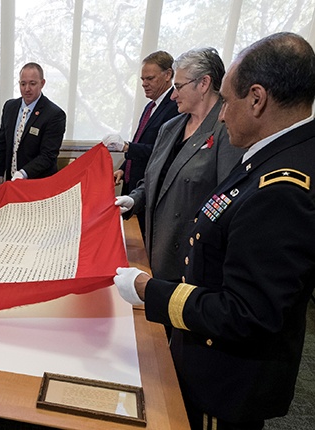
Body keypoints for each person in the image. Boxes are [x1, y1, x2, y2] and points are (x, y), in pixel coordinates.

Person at [114, 32, 315, 430]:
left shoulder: (283, 186)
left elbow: (246, 312)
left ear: (257, 99)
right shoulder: (272, 154)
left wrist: (149, 290)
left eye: (229, 100)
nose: (222, 115)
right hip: (199, 319)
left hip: (227, 373)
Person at [115, 48, 244, 283]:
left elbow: (228, 204)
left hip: (193, 257)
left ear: (204, 83)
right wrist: (135, 199)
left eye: (179, 86)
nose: (173, 95)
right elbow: (154, 178)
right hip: (157, 244)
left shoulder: (228, 132)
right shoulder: (170, 127)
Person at [103, 51, 180, 236]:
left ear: (168, 75)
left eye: (150, 78)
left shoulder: (175, 108)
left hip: (150, 190)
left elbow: (164, 153)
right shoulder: (151, 105)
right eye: (142, 79)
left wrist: (127, 147)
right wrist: (123, 167)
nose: (144, 84)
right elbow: (140, 141)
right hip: (133, 186)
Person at [0, 62, 66, 185]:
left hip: (38, 183)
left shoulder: (54, 114)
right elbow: (2, 143)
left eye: (32, 84)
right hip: (11, 182)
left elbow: (48, 155)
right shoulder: (10, 107)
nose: (27, 89)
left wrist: (23, 173)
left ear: (42, 83)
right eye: (23, 84)